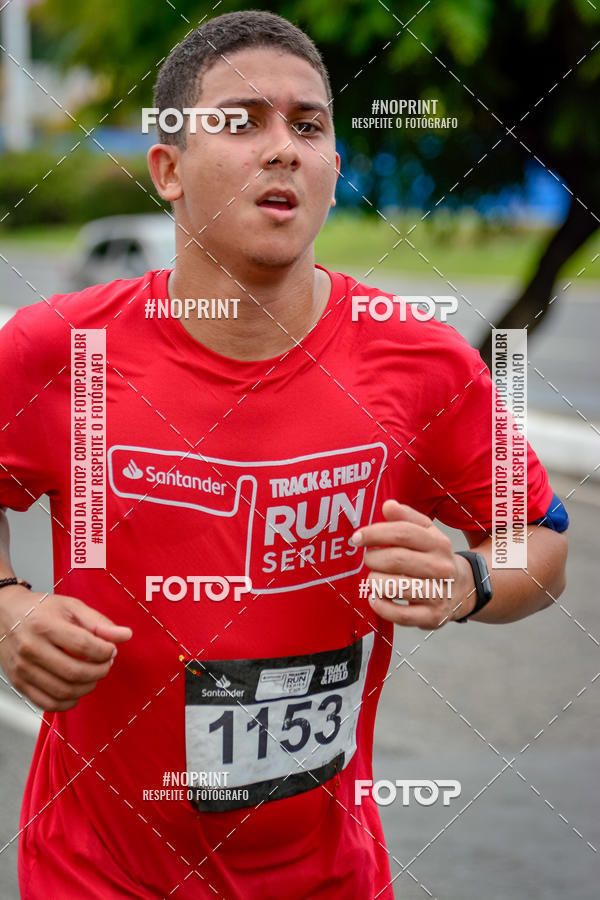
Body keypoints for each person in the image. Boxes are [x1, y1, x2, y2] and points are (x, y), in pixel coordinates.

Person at [0, 9, 568, 899]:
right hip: (95, 874)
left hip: (329, 878)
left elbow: (542, 540)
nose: (283, 149)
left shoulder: (418, 362)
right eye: (242, 121)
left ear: (335, 168)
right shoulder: (61, 350)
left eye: (309, 126)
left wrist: (468, 580)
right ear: (168, 170)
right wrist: (8, 610)